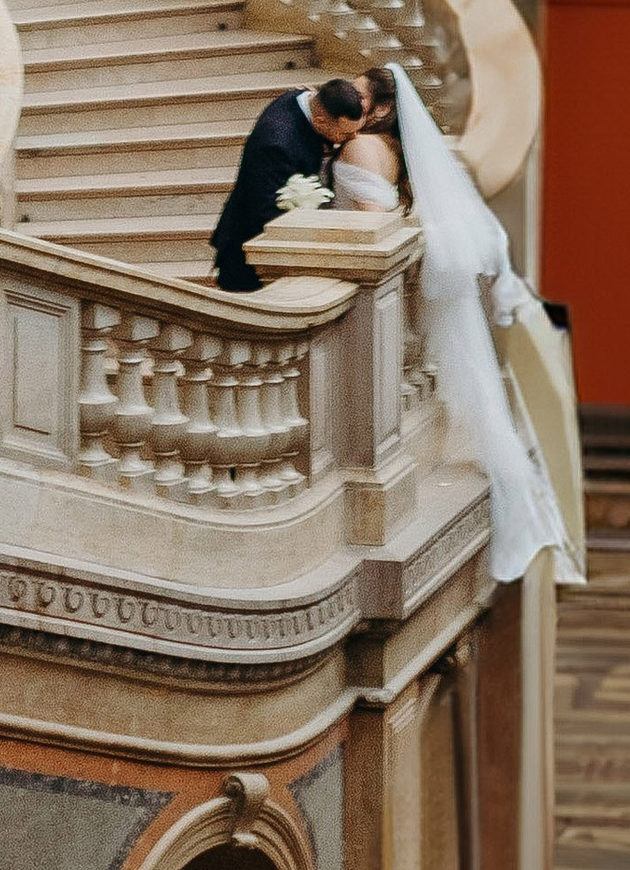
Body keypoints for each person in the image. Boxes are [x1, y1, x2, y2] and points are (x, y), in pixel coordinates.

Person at [383, 65, 584, 589]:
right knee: (469, 381)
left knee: (467, 380)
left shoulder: (384, 163)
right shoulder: (419, 170)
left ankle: (515, 494)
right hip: (446, 305)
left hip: (434, 308)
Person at [210, 75, 364, 292]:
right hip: (249, 256)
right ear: (319, 121)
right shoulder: (277, 144)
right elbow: (266, 214)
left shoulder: (304, 99)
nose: (353, 137)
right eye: (345, 133)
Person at [330, 71, 402, 213]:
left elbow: (372, 218)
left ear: (382, 109)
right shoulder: (390, 142)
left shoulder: (359, 145)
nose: (347, 100)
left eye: (358, 96)